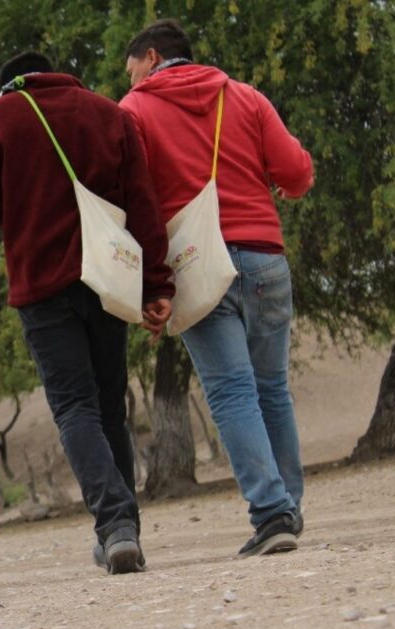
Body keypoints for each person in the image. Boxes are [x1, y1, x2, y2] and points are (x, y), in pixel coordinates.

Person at [0, 51, 174, 574]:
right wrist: (156, 285)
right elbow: (143, 203)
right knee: (108, 406)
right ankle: (125, 531)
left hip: (41, 285)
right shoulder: (109, 113)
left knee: (75, 407)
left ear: (6, 85)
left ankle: (115, 524)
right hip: (109, 281)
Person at [120, 19, 314, 557]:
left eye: (133, 72)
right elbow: (296, 172)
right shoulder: (245, 97)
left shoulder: (134, 111)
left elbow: (131, 196)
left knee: (231, 392)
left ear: (153, 58)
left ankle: (271, 513)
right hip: (265, 258)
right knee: (272, 389)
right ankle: (288, 509)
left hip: (196, 266)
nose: (131, 84)